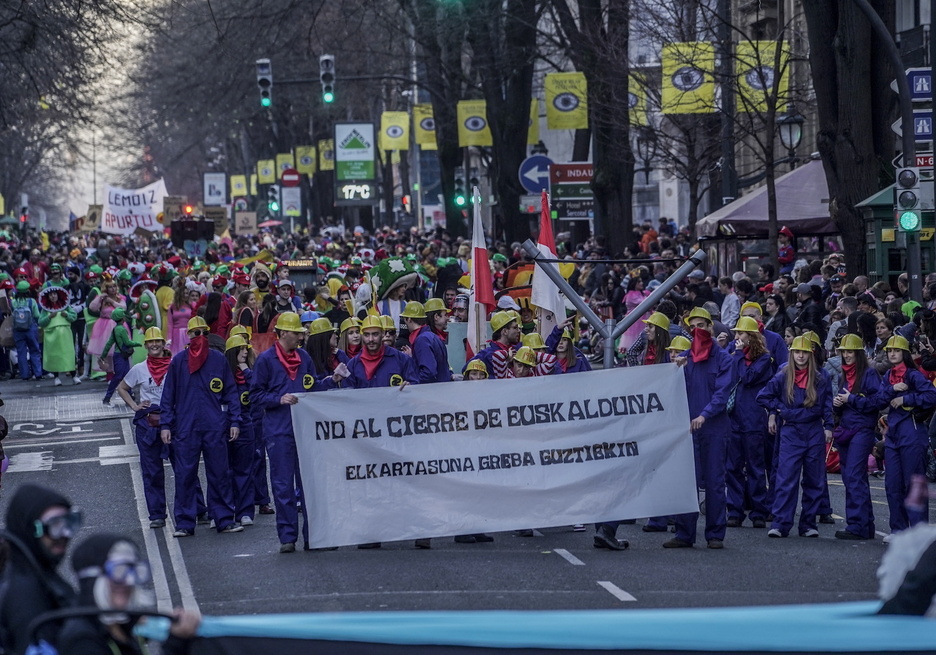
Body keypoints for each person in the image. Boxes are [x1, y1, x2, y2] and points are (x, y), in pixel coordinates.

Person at [251, 312, 345, 552]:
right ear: (283, 334)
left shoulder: (303, 357)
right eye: (297, 333)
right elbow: (255, 395)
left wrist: (331, 380)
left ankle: (313, 536)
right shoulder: (265, 360)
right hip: (279, 431)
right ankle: (287, 537)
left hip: (304, 431)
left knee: (310, 485)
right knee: (282, 485)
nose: (301, 337)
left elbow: (311, 386)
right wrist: (277, 398)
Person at [160, 316, 244, 538]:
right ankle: (185, 523)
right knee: (185, 475)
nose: (198, 338)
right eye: (194, 333)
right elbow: (168, 396)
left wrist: (235, 421)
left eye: (202, 333)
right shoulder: (178, 362)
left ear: (207, 334)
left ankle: (224, 519)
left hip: (214, 425)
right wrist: (165, 425)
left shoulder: (218, 360)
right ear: (188, 336)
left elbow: (231, 393)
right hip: (186, 426)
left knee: (219, 473)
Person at [57, 534, 200, 654]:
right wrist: (176, 643)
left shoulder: (118, 626)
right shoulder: (82, 641)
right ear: (92, 579)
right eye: (119, 571)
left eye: (134, 570)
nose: (130, 581)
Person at [665, 306, 734, 550]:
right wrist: (674, 367)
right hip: (687, 429)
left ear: (710, 327)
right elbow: (667, 389)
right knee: (686, 481)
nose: (697, 330)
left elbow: (722, 392)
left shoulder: (724, 358)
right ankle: (684, 534)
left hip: (714, 428)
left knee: (715, 481)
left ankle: (715, 534)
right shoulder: (684, 357)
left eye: (701, 325)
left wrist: (704, 415)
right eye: (693, 327)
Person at [757, 336, 834, 538]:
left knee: (814, 480)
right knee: (786, 479)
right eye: (797, 352)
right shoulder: (783, 375)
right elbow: (763, 396)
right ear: (791, 354)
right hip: (791, 431)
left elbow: (827, 405)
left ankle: (808, 525)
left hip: (814, 431)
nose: (800, 356)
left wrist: (829, 426)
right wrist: (780, 410)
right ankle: (780, 524)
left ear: (811, 354)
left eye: (804, 352)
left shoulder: (821, 377)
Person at [0, 484, 80, 655]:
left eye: (69, 523)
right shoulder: (24, 594)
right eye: (54, 526)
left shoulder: (34, 570)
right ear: (31, 529)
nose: (64, 534)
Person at [874, 335, 936, 538]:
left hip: (912, 432)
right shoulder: (888, 376)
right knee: (893, 484)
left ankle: (918, 533)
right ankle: (898, 529)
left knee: (914, 485)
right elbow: (880, 400)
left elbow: (932, 396)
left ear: (905, 353)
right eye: (889, 350)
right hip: (893, 435)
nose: (892, 353)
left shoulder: (914, 375)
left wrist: (905, 398)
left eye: (896, 350)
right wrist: (893, 389)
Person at [117, 327, 173, 529]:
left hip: (173, 423)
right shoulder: (139, 369)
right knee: (152, 471)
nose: (154, 345)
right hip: (148, 426)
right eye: (150, 342)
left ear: (163, 343)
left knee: (185, 468)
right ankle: (157, 514)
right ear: (146, 345)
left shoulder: (175, 365)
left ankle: (197, 510)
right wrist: (134, 406)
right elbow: (122, 387)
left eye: (158, 341)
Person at [831, 333, 883, 540]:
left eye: (850, 351)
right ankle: (864, 525)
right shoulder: (843, 375)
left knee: (853, 476)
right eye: (844, 352)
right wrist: (837, 404)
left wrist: (851, 399)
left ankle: (857, 525)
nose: (846, 356)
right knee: (853, 477)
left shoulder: (869, 374)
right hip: (847, 429)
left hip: (862, 429)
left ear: (858, 353)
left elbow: (878, 402)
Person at [725, 316, 773, 529]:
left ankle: (758, 511)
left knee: (755, 467)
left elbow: (748, 377)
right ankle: (735, 511)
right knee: (733, 467)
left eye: (740, 333)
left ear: (751, 336)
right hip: (735, 418)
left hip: (753, 419)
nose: (736, 337)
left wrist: (736, 356)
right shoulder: (734, 355)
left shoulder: (763, 359)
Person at [225, 335, 257, 527]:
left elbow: (257, 386)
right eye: (242, 349)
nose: (246, 352)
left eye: (246, 348)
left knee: (245, 470)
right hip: (226, 425)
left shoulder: (249, 372)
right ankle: (226, 510)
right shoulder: (224, 374)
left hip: (246, 424)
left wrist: (245, 370)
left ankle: (245, 511)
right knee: (224, 470)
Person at [400, 302, 452, 384]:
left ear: (409, 319)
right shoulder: (432, 336)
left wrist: (412, 383)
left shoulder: (422, 340)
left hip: (432, 393)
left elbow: (429, 373)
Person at [38, 285, 78, 386]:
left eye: (54, 294)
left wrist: (67, 315)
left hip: (65, 334)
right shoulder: (45, 309)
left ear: (58, 295)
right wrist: (49, 317)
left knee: (68, 355)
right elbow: (41, 322)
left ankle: (74, 376)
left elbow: (74, 317)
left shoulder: (65, 306)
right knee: (54, 356)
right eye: (50, 294)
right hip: (51, 335)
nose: (53, 296)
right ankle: (56, 377)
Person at [100, 308, 141, 406]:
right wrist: (138, 343)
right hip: (122, 356)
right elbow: (127, 342)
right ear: (122, 318)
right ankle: (107, 397)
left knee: (126, 375)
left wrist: (103, 355)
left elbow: (109, 343)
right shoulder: (122, 329)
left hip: (118, 355)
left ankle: (130, 396)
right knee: (118, 377)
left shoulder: (115, 329)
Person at [11, 279, 42, 381]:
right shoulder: (31, 301)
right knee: (34, 350)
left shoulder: (13, 302)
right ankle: (37, 373)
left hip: (18, 330)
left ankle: (24, 375)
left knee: (21, 352)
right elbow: (37, 315)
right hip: (30, 328)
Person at [167, 281, 194, 356]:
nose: (186, 295)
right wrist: (169, 338)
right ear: (179, 294)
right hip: (176, 335)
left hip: (188, 334)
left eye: (187, 293)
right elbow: (169, 324)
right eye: (184, 293)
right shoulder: (172, 307)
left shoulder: (192, 305)